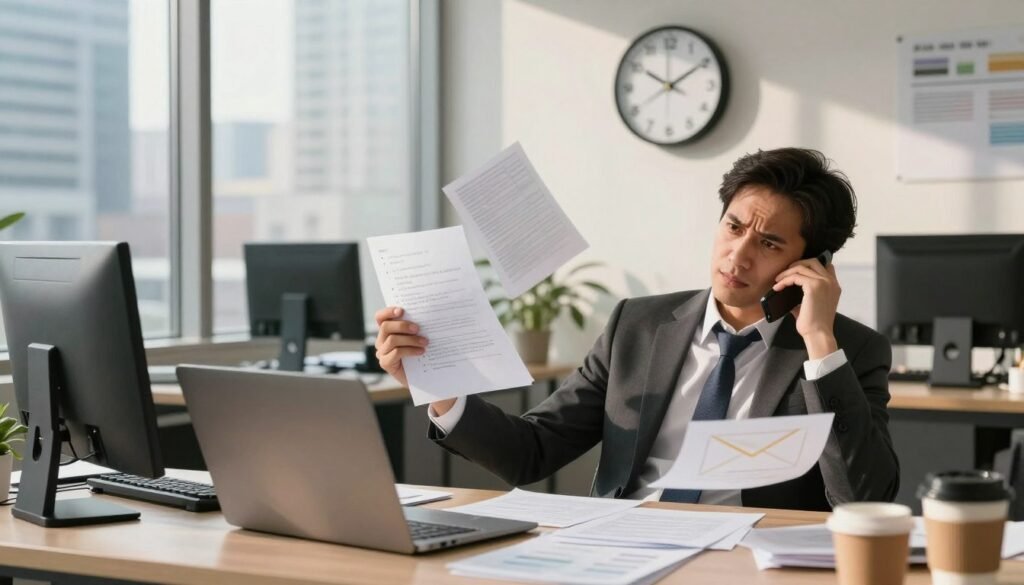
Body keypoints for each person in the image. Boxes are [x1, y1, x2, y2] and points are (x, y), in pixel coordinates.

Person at [374, 147, 898, 511]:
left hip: (750, 559)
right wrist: (440, 389)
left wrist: (820, 343)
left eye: (770, 244)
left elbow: (864, 498)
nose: (737, 255)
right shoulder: (638, 325)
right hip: (624, 545)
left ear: (811, 264)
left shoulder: (849, 350)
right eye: (734, 227)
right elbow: (531, 452)